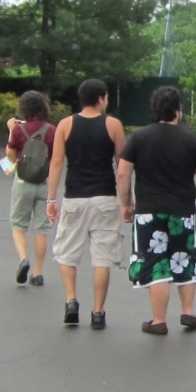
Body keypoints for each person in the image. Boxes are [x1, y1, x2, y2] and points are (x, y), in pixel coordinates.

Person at [118, 84, 196, 335]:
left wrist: (126, 204)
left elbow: (123, 173)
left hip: (148, 211)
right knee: (186, 258)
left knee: (156, 263)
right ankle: (188, 312)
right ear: (177, 111)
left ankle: (159, 320)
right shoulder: (190, 139)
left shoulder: (138, 138)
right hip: (183, 211)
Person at [47, 78, 125, 330]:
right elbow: (122, 166)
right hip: (105, 196)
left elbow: (56, 163)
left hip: (74, 196)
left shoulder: (65, 125)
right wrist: (127, 201)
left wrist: (51, 199)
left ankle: (71, 300)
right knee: (102, 257)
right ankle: (98, 311)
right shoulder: (113, 125)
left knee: (67, 252)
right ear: (101, 98)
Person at [3, 91, 53, 288]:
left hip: (23, 182)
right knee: (41, 229)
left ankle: (23, 259)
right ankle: (38, 273)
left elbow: (10, 157)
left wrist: (11, 130)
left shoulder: (18, 130)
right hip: (43, 182)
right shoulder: (51, 130)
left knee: (18, 225)